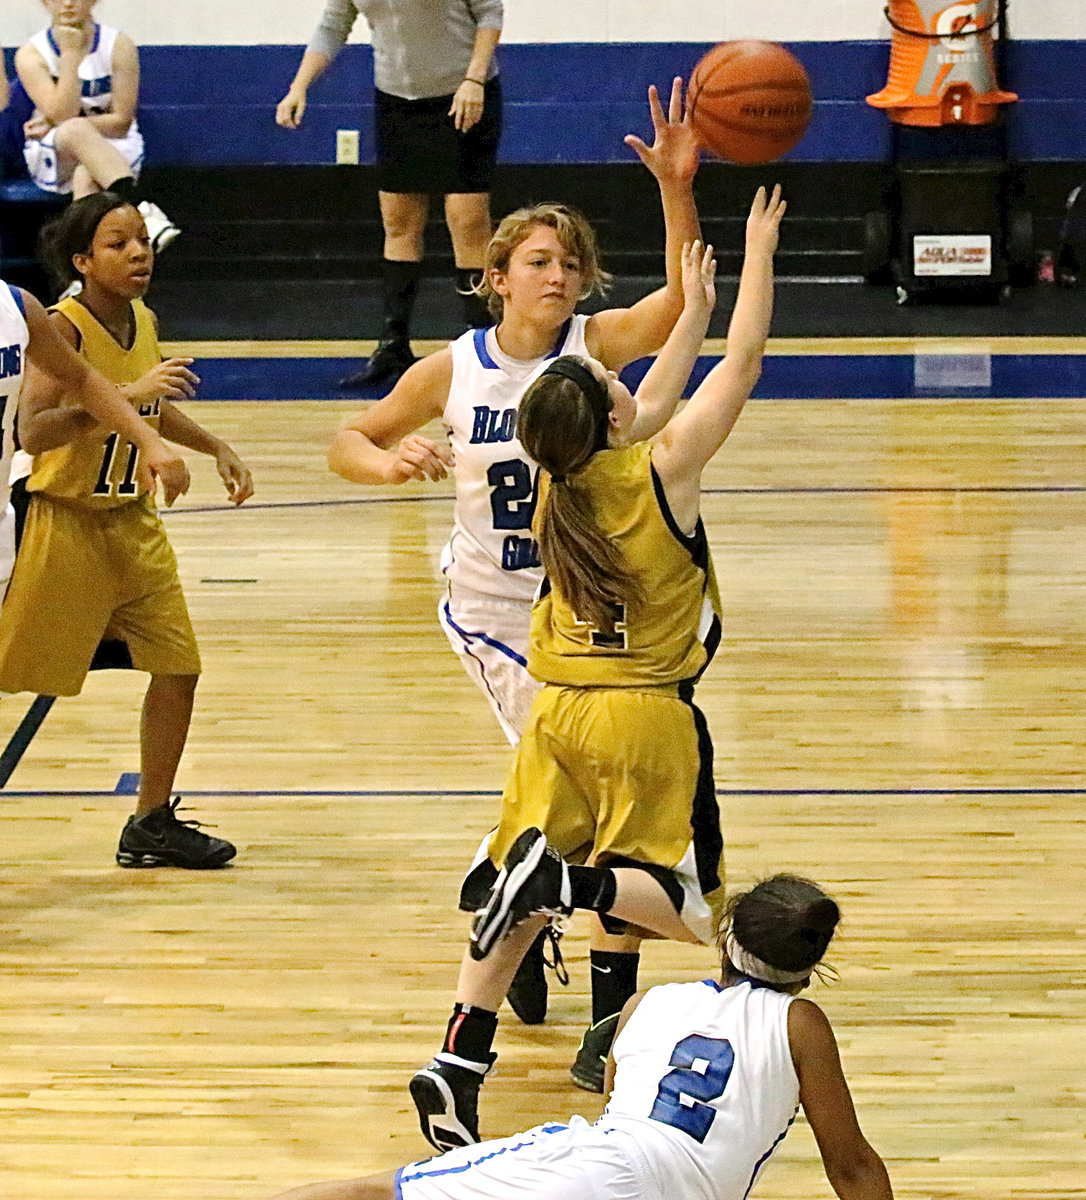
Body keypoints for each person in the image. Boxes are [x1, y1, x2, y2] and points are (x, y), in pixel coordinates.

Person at [327, 79, 703, 1089]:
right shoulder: (452, 369)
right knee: (593, 775)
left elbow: (679, 304)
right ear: (495, 277)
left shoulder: (593, 346)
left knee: (585, 789)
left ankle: (517, 895)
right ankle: (546, 923)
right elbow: (347, 437)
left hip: (591, 605)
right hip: (498, 612)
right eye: (539, 260)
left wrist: (675, 188)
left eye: (571, 263)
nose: (559, 275)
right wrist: (387, 463)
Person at [408, 184, 786, 1153]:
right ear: (611, 417)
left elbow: (653, 395)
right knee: (688, 906)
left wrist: (693, 310)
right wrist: (756, 255)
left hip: (557, 717)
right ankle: (565, 891)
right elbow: (741, 365)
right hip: (641, 715)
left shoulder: (551, 477)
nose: (626, 385)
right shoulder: (658, 471)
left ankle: (459, 1056)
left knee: (513, 884)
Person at [266, 874, 894, 1200]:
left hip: (598, 1168)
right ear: (807, 969)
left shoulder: (648, 1003)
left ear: (726, 940)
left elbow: (616, 1103)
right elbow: (851, 1165)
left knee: (376, 1194)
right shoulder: (801, 1022)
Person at [0, 192, 254, 867]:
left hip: (132, 523)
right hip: (64, 522)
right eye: (118, 244)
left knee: (178, 667)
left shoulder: (143, 318)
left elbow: (152, 409)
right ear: (82, 261)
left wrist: (214, 445)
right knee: (10, 672)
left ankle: (151, 820)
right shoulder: (63, 326)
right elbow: (35, 431)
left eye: (142, 240)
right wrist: (131, 396)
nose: (139, 253)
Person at [277, 0, 504, 389]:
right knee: (399, 223)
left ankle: (481, 343)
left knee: (467, 221)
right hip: (397, 103)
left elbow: (490, 13)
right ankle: (393, 343)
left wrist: (474, 79)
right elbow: (332, 27)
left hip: (462, 96)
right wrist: (298, 87)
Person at [15, 0, 179, 252]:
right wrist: (70, 55)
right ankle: (140, 210)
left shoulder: (118, 45)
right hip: (56, 150)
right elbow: (63, 114)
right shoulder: (31, 54)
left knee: (86, 177)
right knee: (74, 130)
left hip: (111, 145)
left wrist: (61, 123)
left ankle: (85, 266)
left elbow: (121, 122)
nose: (68, 3)